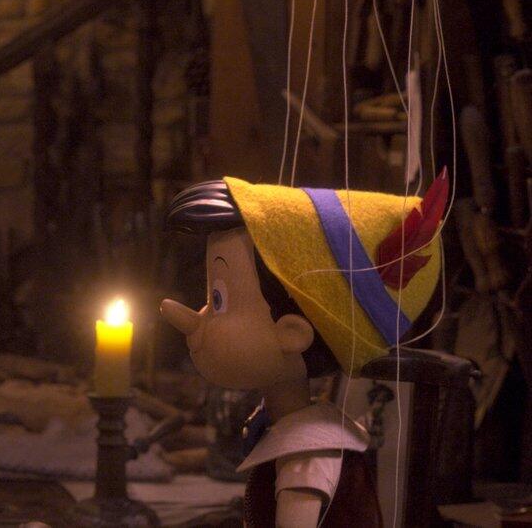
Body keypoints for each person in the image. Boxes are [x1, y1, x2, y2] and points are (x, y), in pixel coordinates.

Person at [161, 174, 446, 527]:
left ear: (292, 334)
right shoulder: (283, 432)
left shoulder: (306, 457)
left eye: (217, 301)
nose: (195, 316)